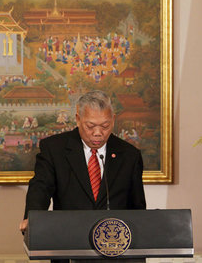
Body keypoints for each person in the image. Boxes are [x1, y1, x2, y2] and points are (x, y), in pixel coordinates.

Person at [20, 90, 145, 232]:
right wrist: (33, 218)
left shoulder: (129, 155)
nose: (98, 133)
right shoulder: (55, 149)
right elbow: (40, 187)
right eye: (90, 126)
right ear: (78, 120)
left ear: (113, 119)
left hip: (114, 242)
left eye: (105, 126)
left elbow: (137, 209)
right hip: (69, 238)